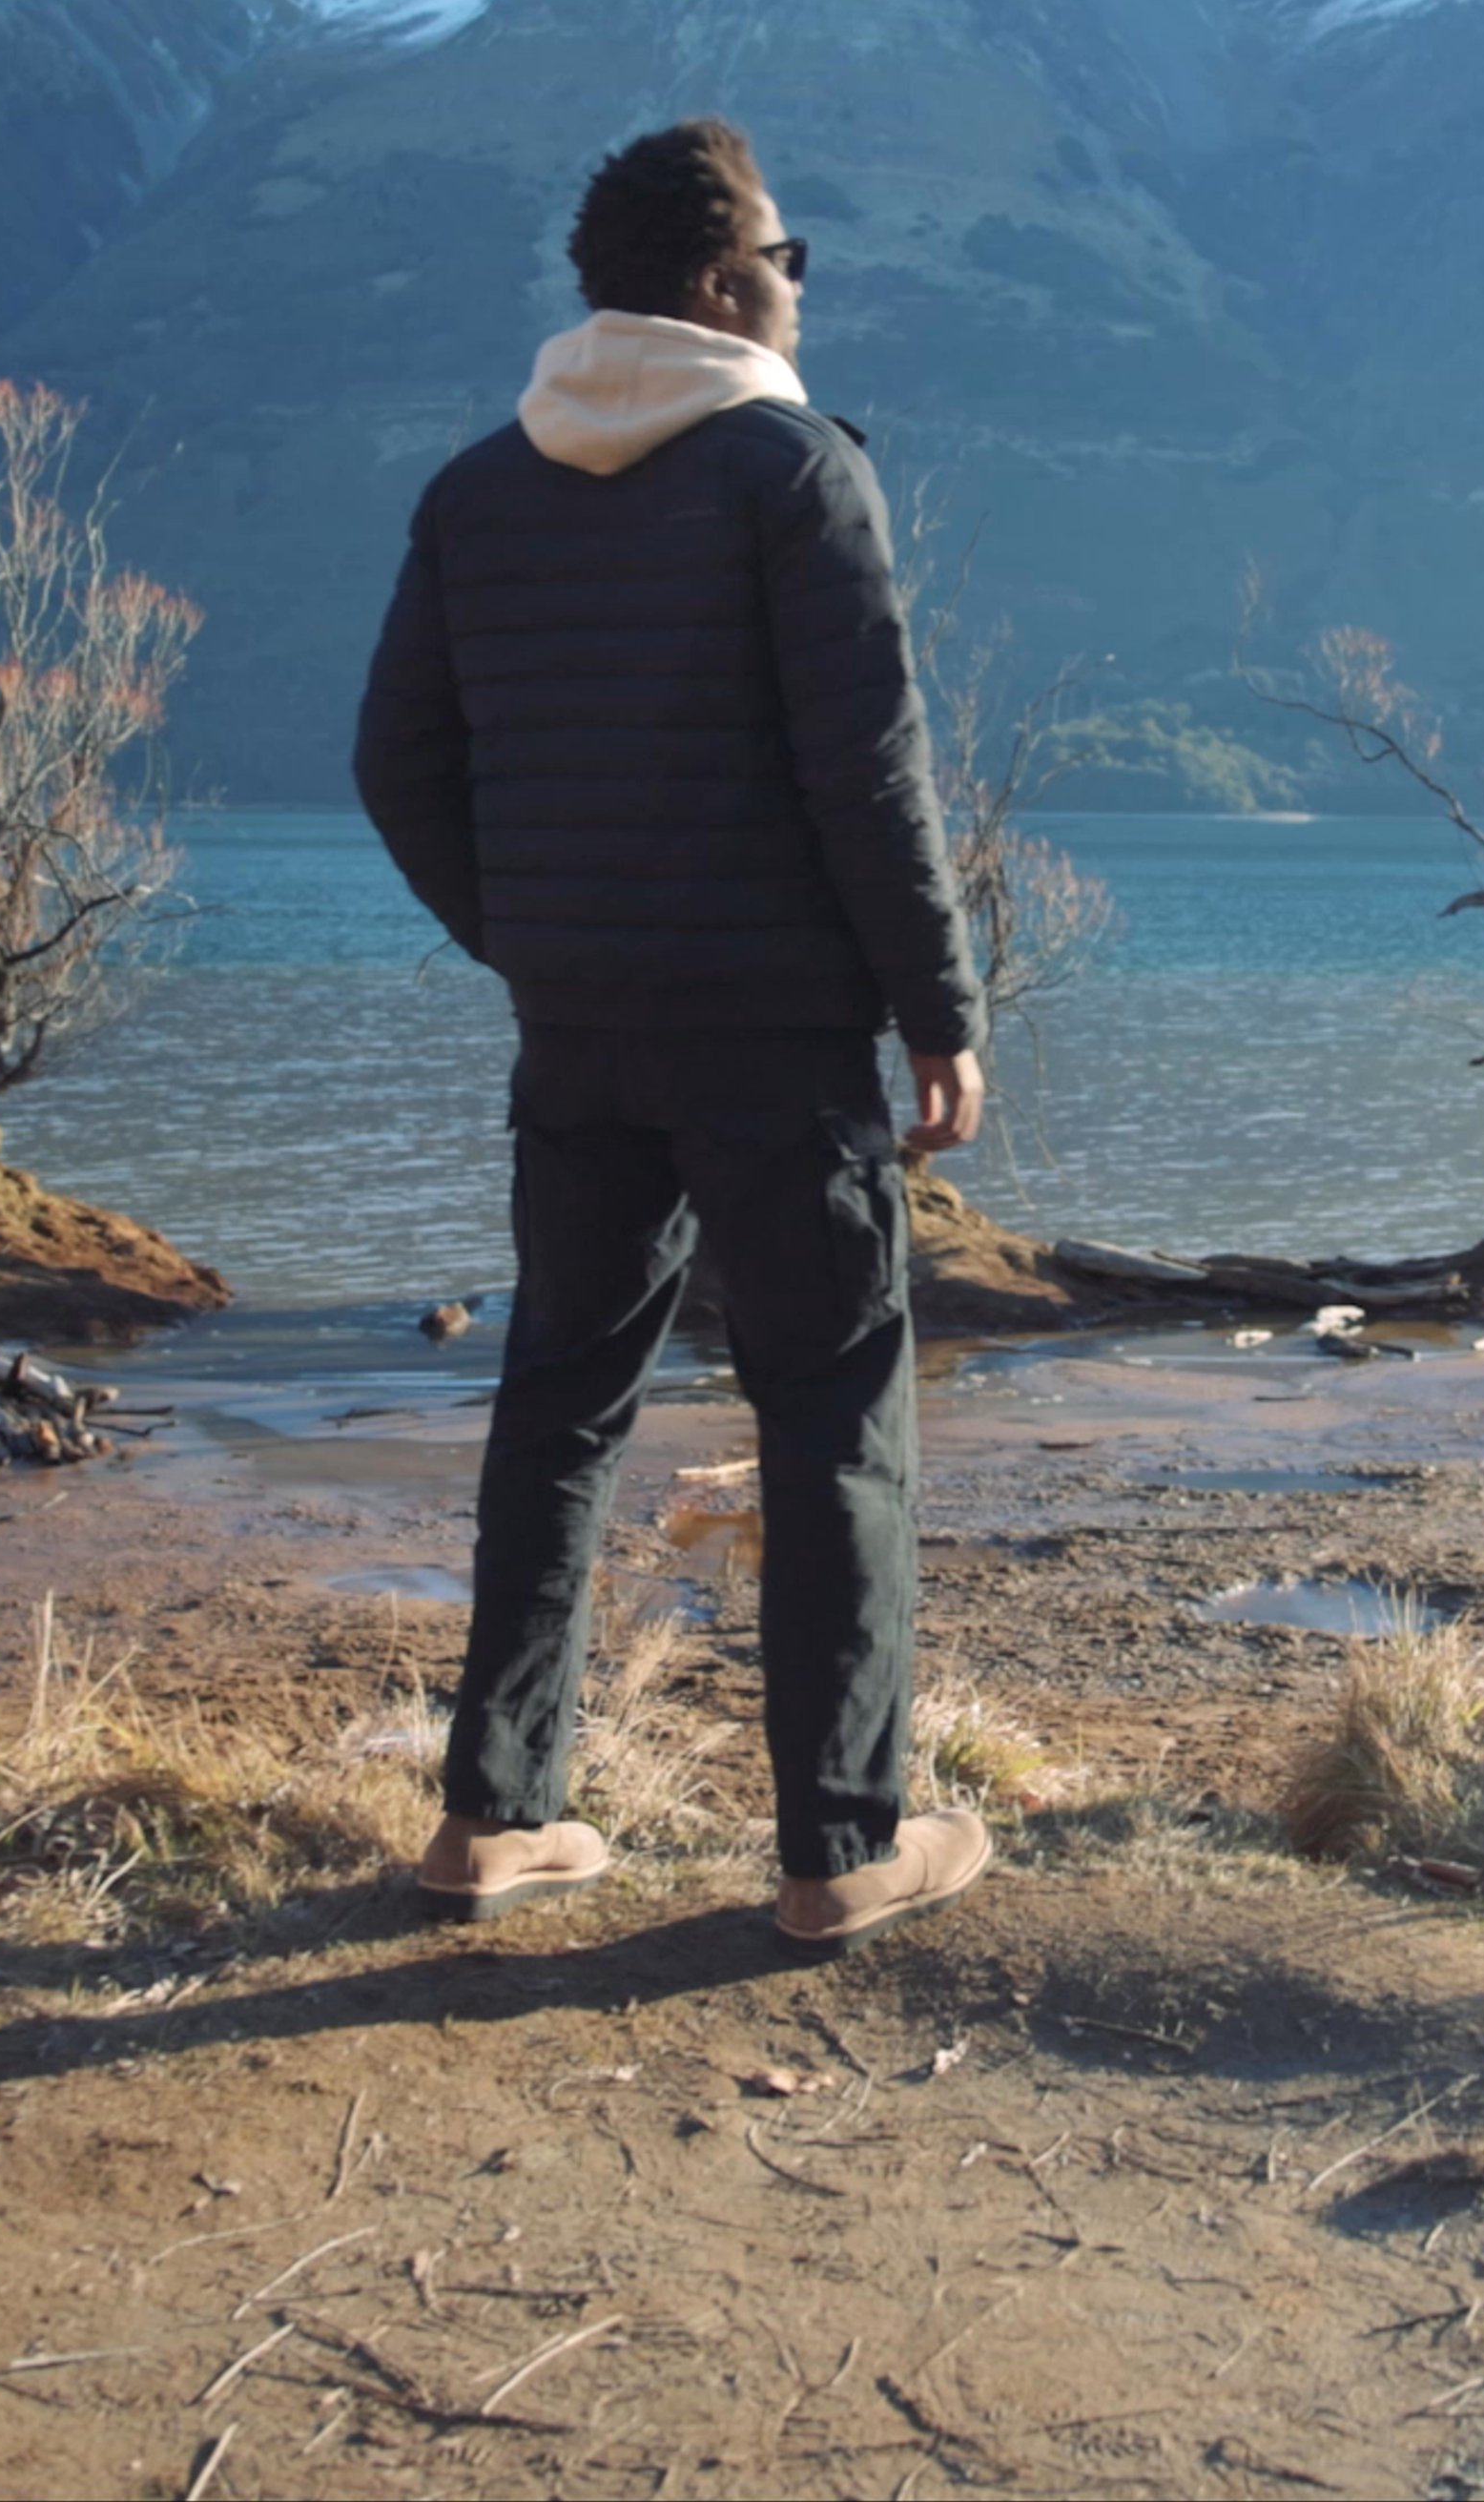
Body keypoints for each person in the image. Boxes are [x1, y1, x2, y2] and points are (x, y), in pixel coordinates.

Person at [354, 116, 993, 1955]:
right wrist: (940, 1011)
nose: (804, 287)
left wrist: (535, 939)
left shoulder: (481, 488)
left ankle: (493, 1819)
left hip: (584, 1030)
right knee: (833, 1414)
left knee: (559, 1400)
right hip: (779, 1039)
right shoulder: (790, 471)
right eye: (793, 259)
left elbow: (397, 765)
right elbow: (869, 772)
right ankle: (844, 1845)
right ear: (727, 282)